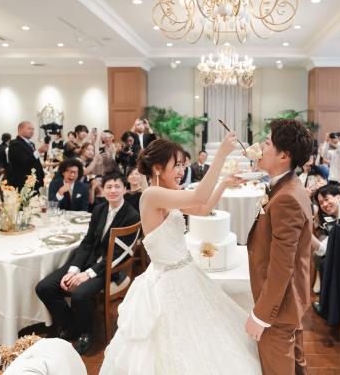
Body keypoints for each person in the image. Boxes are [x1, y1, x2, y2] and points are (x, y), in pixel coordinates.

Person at [100, 133, 260, 374]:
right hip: (168, 282)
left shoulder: (166, 195)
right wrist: (221, 155)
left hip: (187, 273)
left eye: (183, 165)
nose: (181, 171)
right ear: (157, 168)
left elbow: (203, 208)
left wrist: (224, 184)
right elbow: (198, 196)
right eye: (177, 165)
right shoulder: (151, 195)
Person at [36, 172, 141, 355]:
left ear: (125, 189)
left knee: (79, 294)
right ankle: (70, 325)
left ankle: (86, 334)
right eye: (109, 187)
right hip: (89, 261)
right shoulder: (99, 210)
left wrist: (87, 274)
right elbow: (87, 243)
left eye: (117, 186)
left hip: (110, 268)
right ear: (103, 190)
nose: (113, 190)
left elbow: (119, 256)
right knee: (44, 287)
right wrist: (74, 269)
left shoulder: (131, 216)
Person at [244, 119, 314, 375]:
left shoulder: (287, 198)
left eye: (267, 143)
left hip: (280, 306)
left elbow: (282, 265)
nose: (261, 147)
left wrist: (262, 315)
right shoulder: (289, 186)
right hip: (289, 300)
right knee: (295, 365)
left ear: (284, 156)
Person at [6, 121, 47, 190]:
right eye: (29, 128)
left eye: (33, 129)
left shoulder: (31, 144)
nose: (32, 131)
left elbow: (34, 161)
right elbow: (24, 162)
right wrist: (39, 151)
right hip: (24, 183)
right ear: (20, 130)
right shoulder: (15, 144)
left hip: (34, 181)